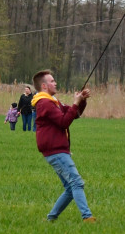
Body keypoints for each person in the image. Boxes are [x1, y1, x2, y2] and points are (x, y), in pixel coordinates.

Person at [31, 70, 96, 223]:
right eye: (52, 81)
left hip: (57, 150)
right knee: (77, 183)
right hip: (55, 151)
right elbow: (63, 122)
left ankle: (51, 218)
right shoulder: (45, 103)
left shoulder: (53, 101)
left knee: (70, 188)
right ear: (44, 86)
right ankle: (87, 217)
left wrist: (81, 101)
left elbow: (74, 114)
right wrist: (75, 103)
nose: (55, 83)